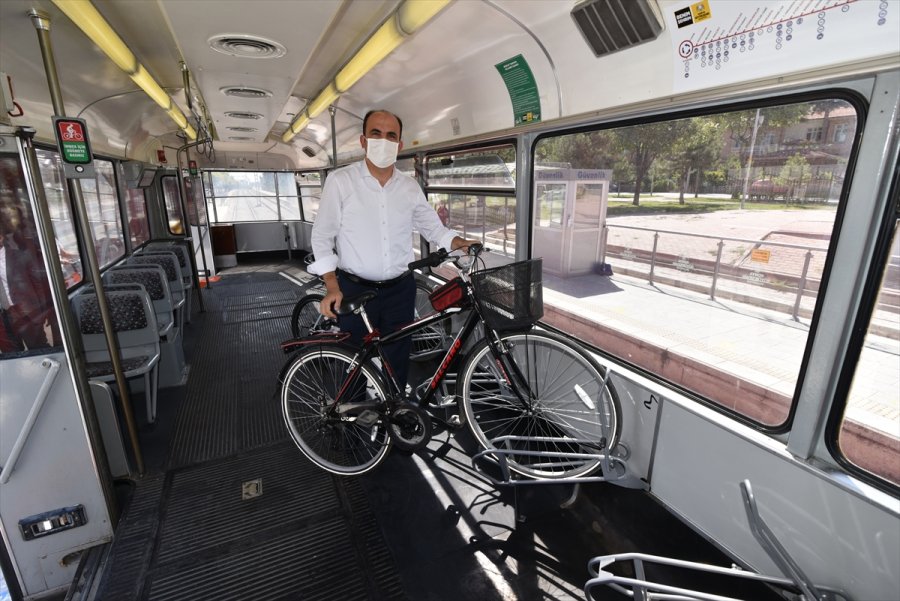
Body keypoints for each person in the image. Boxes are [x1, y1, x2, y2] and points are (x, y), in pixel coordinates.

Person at [308, 109, 478, 392]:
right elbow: (322, 235)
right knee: (354, 359)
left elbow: (431, 227)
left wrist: (455, 241)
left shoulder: (409, 186)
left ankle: (394, 411)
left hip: (400, 290)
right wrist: (331, 285)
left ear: (399, 145)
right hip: (355, 289)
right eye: (376, 134)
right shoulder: (341, 181)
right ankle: (349, 417)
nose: (383, 141)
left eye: (391, 136)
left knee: (397, 357)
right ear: (363, 140)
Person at [0, 215, 54, 353]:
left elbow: (38, 285)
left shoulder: (21, 257)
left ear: (1, 237)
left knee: (38, 349)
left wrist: (43, 311)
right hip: (3, 318)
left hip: (25, 312)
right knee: (11, 355)